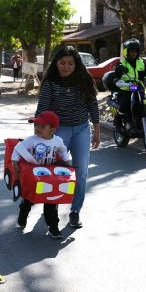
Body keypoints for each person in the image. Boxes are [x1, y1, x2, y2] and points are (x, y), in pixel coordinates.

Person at [35, 46, 100, 229]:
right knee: (54, 172)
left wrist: (96, 129)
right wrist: (39, 135)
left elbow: (93, 105)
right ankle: (51, 207)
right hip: (58, 131)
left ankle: (75, 211)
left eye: (70, 63)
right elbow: (42, 110)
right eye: (62, 63)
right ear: (56, 64)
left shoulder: (84, 80)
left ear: (76, 64)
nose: (66, 67)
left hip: (81, 130)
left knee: (81, 172)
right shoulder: (50, 83)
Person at [12, 110, 71, 239]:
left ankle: (53, 227)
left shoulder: (58, 141)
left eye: (42, 126)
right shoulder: (32, 140)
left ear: (53, 130)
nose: (38, 128)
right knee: (28, 199)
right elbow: (18, 148)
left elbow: (63, 150)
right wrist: (15, 159)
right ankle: (23, 216)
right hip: (33, 175)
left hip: (49, 175)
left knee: (51, 201)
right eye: (37, 125)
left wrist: (67, 161)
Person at [113, 39, 146, 123]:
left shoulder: (141, 62)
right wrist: (118, 81)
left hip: (139, 88)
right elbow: (116, 77)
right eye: (131, 51)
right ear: (126, 52)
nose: (134, 53)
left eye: (136, 51)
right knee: (124, 105)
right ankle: (117, 122)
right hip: (126, 89)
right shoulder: (122, 64)